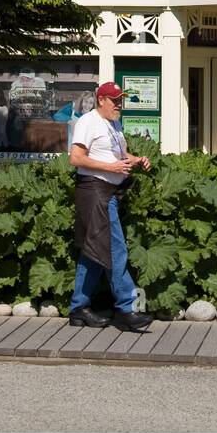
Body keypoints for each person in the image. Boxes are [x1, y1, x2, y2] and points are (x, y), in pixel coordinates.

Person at [68, 82, 153, 332]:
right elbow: (75, 158)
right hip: (94, 192)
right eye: (115, 100)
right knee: (115, 249)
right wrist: (111, 168)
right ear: (101, 99)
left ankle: (78, 308)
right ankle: (127, 309)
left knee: (93, 252)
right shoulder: (87, 121)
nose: (119, 104)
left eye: (121, 100)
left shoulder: (114, 124)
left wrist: (136, 160)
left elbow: (120, 156)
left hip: (109, 192)